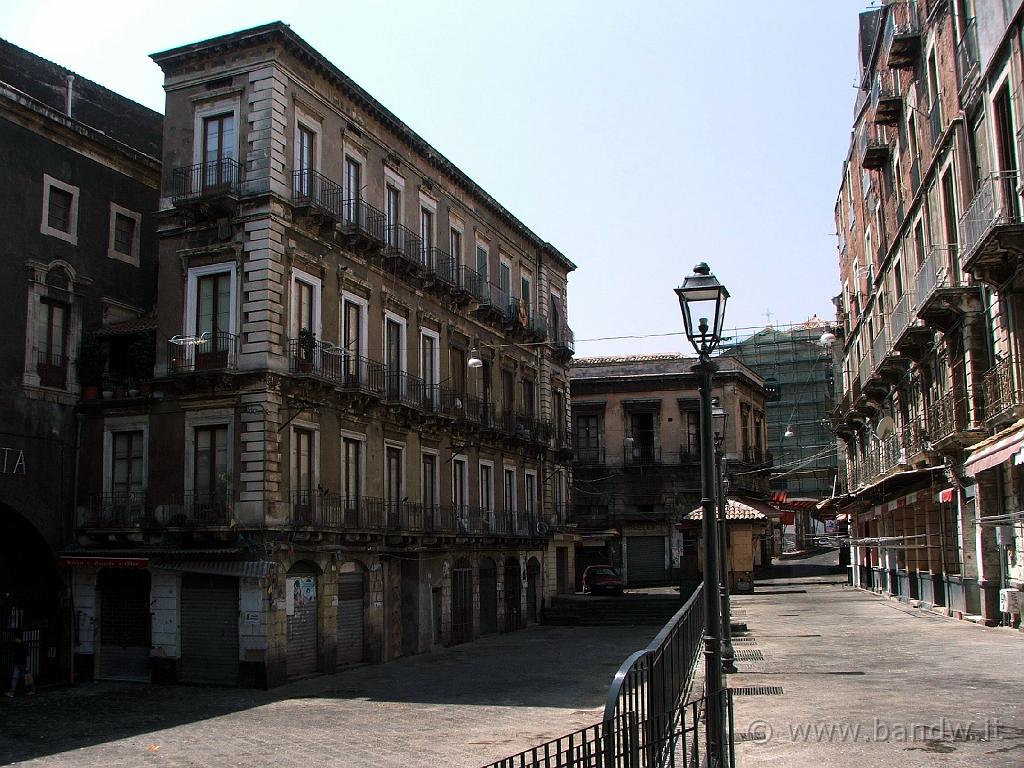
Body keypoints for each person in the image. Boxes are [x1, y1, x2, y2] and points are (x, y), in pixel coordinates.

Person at [5, 632, 34, 698]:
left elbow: (27, 656)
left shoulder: (24, 645)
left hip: (23, 664)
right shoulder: (17, 645)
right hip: (18, 664)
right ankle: (12, 692)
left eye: (14, 638)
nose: (14, 640)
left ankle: (31, 690)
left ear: (17, 638)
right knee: (16, 678)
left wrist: (28, 666)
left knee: (27, 677)